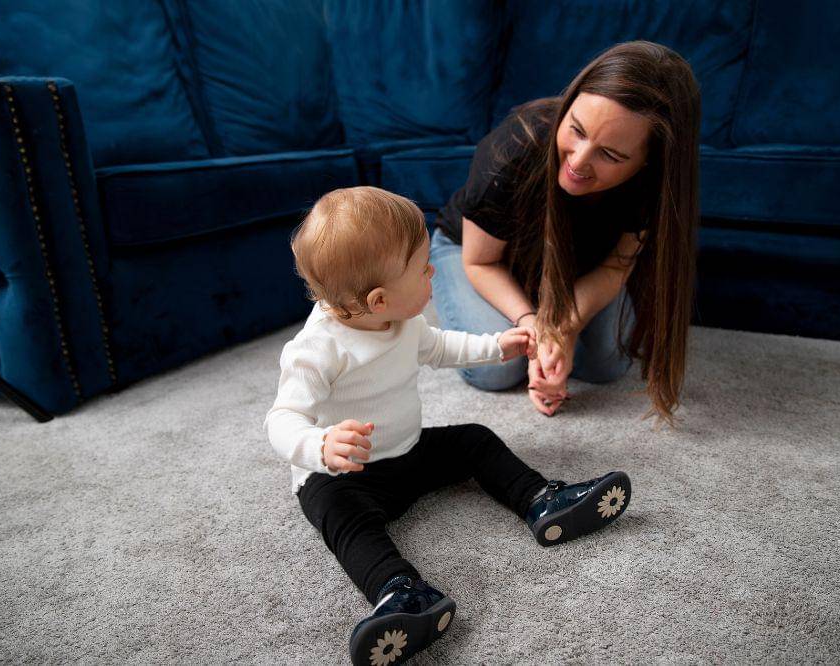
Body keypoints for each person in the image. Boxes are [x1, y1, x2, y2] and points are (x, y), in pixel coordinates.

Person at [265, 186, 632, 665]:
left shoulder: (403, 322)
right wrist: (320, 445)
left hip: (407, 451)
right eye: (422, 269)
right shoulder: (315, 350)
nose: (433, 270)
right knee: (343, 520)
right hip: (344, 477)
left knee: (473, 440)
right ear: (378, 300)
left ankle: (542, 501)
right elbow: (280, 420)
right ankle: (398, 592)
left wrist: (496, 346)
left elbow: (441, 347)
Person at [431, 40, 700, 423]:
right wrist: (536, 327)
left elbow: (614, 268)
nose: (578, 161)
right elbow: (481, 261)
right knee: (496, 370)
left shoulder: (655, 185)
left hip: (576, 267)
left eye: (611, 155)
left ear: (646, 163)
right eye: (576, 130)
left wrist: (565, 330)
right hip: (480, 254)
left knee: (607, 363)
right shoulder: (515, 147)